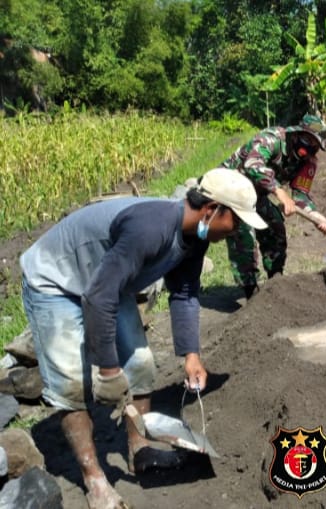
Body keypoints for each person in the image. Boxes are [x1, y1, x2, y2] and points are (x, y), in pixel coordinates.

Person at [19, 168, 267, 509]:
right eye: (236, 221)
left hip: (105, 280)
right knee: (73, 384)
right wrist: (107, 370)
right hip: (56, 280)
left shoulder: (194, 238)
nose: (237, 231)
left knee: (140, 364)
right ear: (212, 209)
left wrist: (191, 354)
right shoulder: (150, 227)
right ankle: (96, 483)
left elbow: (183, 292)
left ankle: (140, 449)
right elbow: (97, 299)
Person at [220, 114, 326, 299]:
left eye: (314, 146)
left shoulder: (308, 162)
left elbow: (301, 193)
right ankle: (250, 289)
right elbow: (252, 165)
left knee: (275, 226)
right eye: (307, 140)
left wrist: (315, 216)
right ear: (296, 134)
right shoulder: (271, 139)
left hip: (256, 194)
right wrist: (279, 192)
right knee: (243, 232)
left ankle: (276, 284)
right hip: (231, 186)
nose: (308, 148)